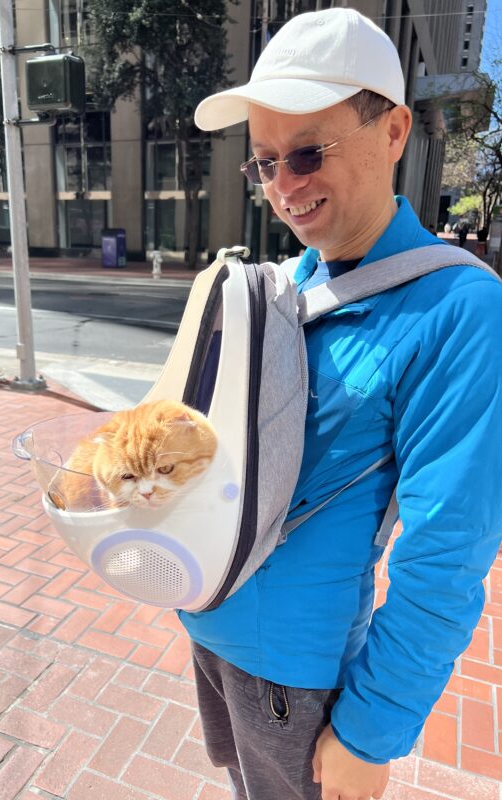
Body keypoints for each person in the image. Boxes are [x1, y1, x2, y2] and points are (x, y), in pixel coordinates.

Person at [178, 8, 502, 800]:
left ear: (393, 131)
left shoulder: (459, 309)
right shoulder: (292, 283)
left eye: (307, 153)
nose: (284, 187)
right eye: (265, 163)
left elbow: (448, 553)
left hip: (296, 678)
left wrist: (371, 727)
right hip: (209, 627)